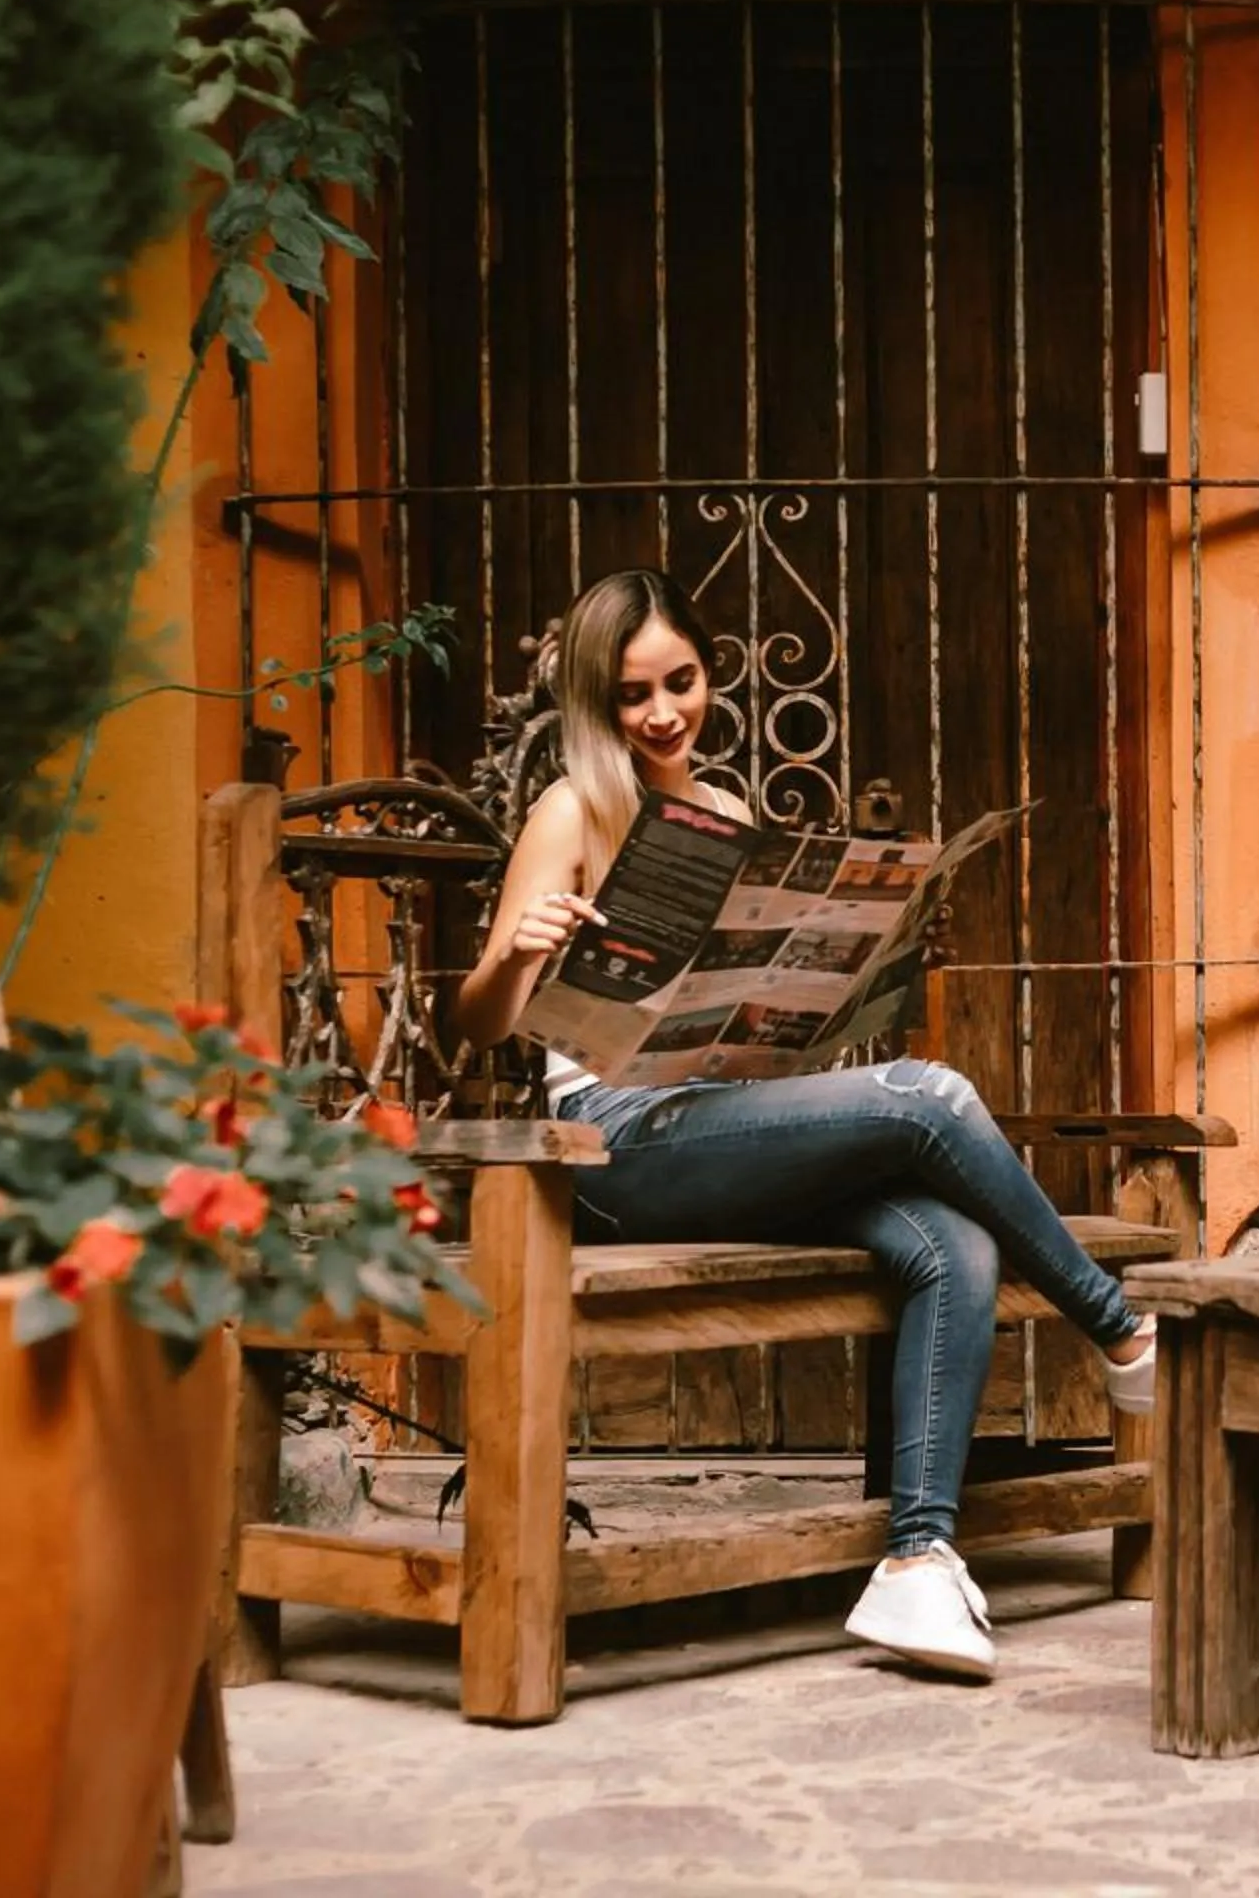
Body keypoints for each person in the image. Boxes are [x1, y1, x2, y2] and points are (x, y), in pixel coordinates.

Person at [454, 569, 1157, 1682]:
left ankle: (918, 1563)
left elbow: (744, 1025)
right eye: (634, 694)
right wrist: (515, 953)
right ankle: (1124, 1332)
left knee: (950, 1239)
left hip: (714, 1113)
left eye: (681, 682)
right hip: (609, 1142)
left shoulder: (725, 813)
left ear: (709, 673)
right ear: (598, 699)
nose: (663, 713)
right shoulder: (570, 807)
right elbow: (479, 1016)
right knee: (929, 1094)